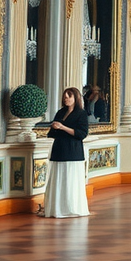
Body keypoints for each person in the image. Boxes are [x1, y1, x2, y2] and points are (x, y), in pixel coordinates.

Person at [40, 87, 90, 218]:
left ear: (76, 98)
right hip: (59, 149)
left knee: (71, 181)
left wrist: (62, 127)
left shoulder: (81, 114)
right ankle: (57, 209)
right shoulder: (60, 112)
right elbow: (52, 133)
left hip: (73, 151)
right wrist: (55, 128)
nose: (66, 98)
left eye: (69, 96)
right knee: (58, 180)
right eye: (65, 96)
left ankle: (71, 208)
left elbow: (81, 134)